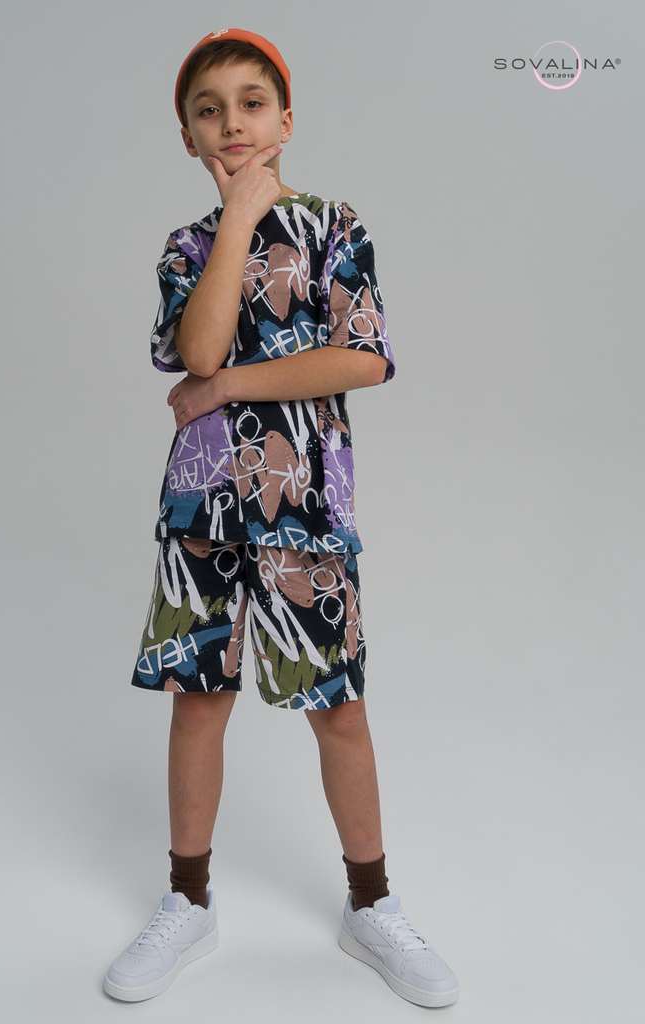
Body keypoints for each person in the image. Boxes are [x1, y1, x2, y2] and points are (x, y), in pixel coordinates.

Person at [104, 28, 458, 1008]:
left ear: (286, 120)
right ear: (187, 136)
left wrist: (226, 389)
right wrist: (237, 221)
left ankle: (371, 904)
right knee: (197, 701)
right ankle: (188, 899)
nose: (232, 123)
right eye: (208, 110)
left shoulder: (337, 226)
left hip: (306, 512)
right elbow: (198, 348)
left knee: (337, 707)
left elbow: (362, 358)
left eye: (251, 104)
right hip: (202, 513)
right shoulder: (187, 247)